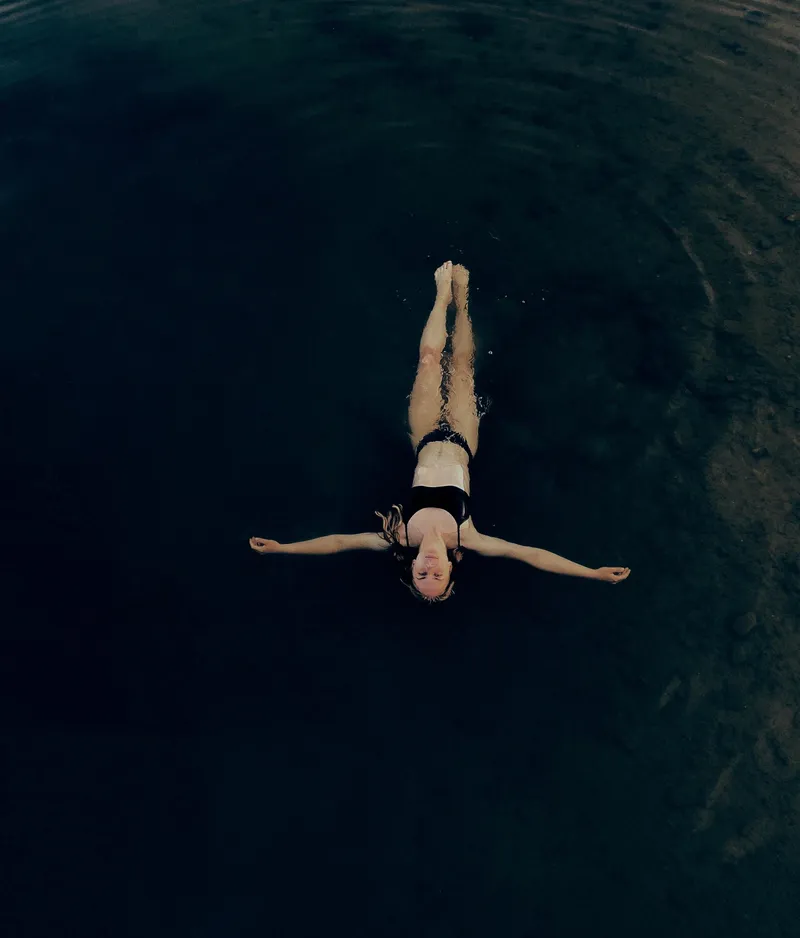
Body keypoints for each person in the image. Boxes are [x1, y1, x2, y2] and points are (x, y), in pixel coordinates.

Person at [250, 260, 631, 602]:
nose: (429, 568)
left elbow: (337, 543)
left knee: (430, 361)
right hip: (463, 438)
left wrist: (281, 548)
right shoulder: (468, 536)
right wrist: (591, 573)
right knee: (462, 366)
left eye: (422, 574)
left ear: (412, 566)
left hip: (425, 435)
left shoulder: (398, 536)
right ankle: (462, 301)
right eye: (437, 574)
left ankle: (441, 296)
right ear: (451, 568)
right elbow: (531, 555)